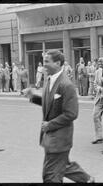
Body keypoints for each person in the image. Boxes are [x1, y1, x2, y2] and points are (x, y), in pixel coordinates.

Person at [22, 50, 94, 183]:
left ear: (58, 63)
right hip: (51, 139)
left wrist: (50, 124)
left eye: (46, 62)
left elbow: (71, 113)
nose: (44, 65)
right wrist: (33, 96)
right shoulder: (49, 80)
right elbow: (50, 104)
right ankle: (87, 180)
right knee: (64, 166)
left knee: (50, 176)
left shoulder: (66, 85)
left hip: (59, 139)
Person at [91, 57, 103, 144]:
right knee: (95, 116)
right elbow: (95, 83)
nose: (99, 62)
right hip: (99, 98)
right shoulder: (97, 72)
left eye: (101, 61)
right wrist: (99, 88)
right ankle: (98, 137)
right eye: (98, 61)